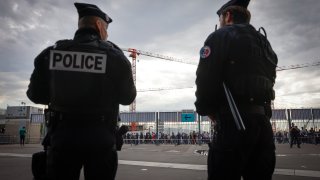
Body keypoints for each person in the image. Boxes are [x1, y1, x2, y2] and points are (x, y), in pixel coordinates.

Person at [26, 2, 136, 180]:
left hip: (62, 139)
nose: (107, 34)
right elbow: (127, 98)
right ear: (99, 26)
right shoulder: (115, 57)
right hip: (101, 141)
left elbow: (35, 95)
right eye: (106, 29)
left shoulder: (51, 54)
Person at [195, 0, 278, 179]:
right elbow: (270, 80)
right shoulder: (265, 43)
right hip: (262, 124)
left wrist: (206, 109)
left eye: (220, 17)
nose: (220, 22)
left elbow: (205, 78)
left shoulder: (220, 36)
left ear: (228, 15)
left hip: (233, 122)